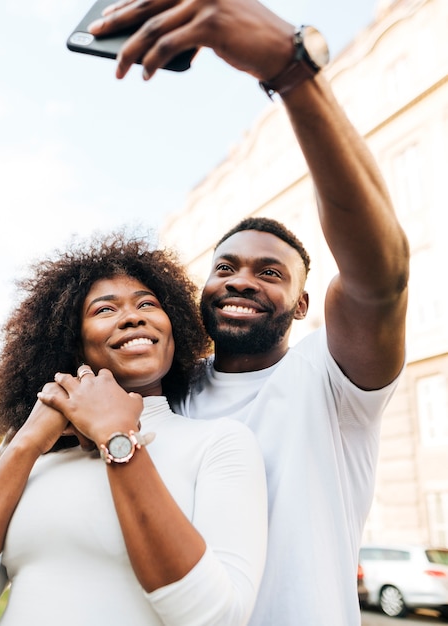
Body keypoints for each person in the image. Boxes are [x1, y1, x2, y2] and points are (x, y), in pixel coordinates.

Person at [87, 1, 410, 625]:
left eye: (271, 272)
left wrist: (292, 73)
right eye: (226, 266)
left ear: (303, 303)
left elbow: (383, 276)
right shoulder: (162, 390)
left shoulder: (330, 381)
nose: (241, 281)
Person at [0, 231, 268, 626]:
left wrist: (116, 437)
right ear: (72, 342)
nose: (132, 316)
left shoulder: (218, 445)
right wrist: (23, 446)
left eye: (147, 304)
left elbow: (217, 618)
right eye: (104, 310)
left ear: (174, 330)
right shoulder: (30, 458)